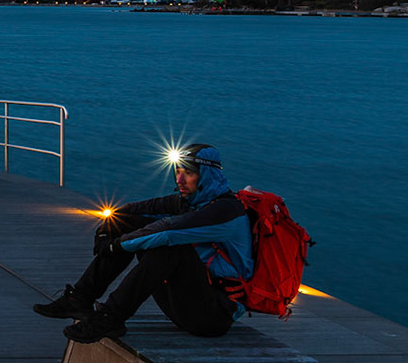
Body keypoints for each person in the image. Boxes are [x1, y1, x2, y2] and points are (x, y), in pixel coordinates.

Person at [34, 143, 253, 344]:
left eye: (189, 173)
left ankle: (111, 317)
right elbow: (131, 211)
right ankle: (80, 299)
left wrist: (114, 246)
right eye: (178, 171)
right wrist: (106, 229)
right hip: (181, 304)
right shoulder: (189, 202)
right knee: (129, 222)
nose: (180, 179)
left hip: (213, 316)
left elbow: (168, 231)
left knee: (168, 247)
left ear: (207, 175)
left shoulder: (225, 211)